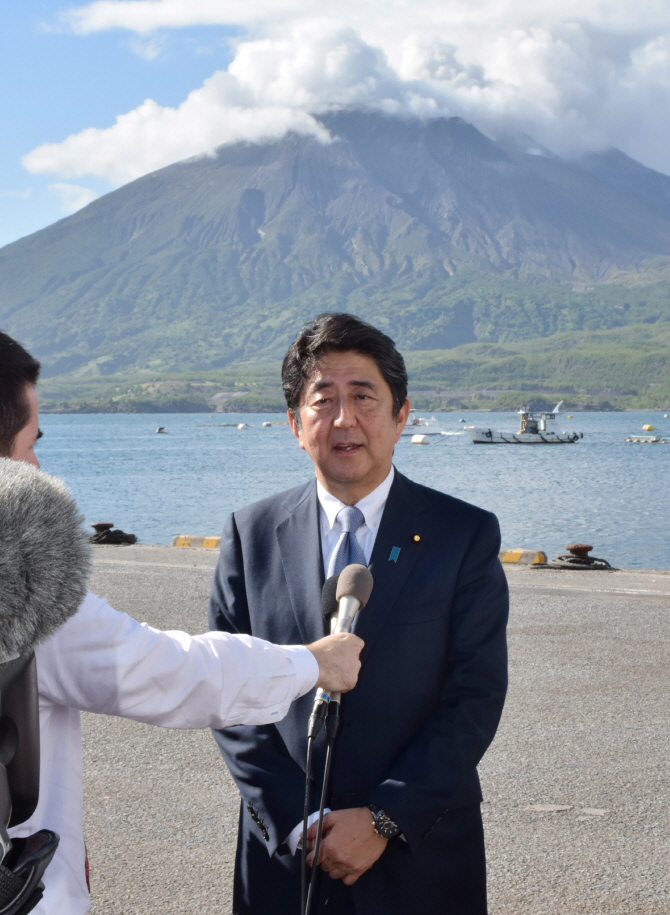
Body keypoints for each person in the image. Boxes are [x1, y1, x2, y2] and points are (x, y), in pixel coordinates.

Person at [0, 330, 364, 915]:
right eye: (29, 443)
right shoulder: (20, 585)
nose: (38, 465)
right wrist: (312, 663)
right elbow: (173, 673)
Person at [209, 313, 509, 915]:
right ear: (295, 424)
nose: (344, 420)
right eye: (323, 400)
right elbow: (228, 689)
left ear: (401, 415)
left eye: (364, 397)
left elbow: (473, 695)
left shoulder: (462, 533)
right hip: (287, 858)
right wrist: (300, 822)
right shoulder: (251, 534)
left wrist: (383, 818)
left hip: (419, 852)